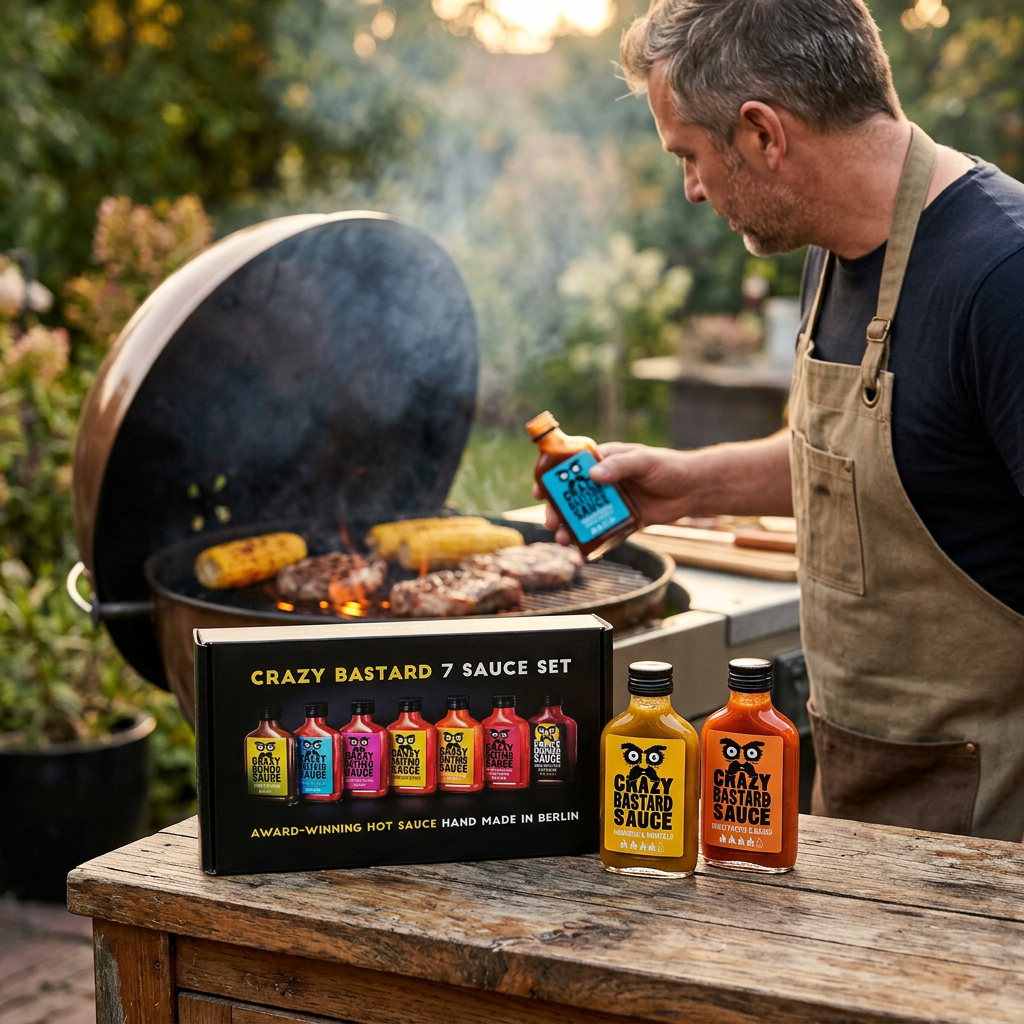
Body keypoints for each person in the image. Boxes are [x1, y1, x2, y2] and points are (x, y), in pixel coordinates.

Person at [536, 0, 1024, 841]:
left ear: (763, 133)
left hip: (993, 855)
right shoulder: (833, 255)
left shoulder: (1003, 280)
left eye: (689, 155)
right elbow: (876, 458)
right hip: (865, 798)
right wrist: (685, 486)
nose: (690, 189)